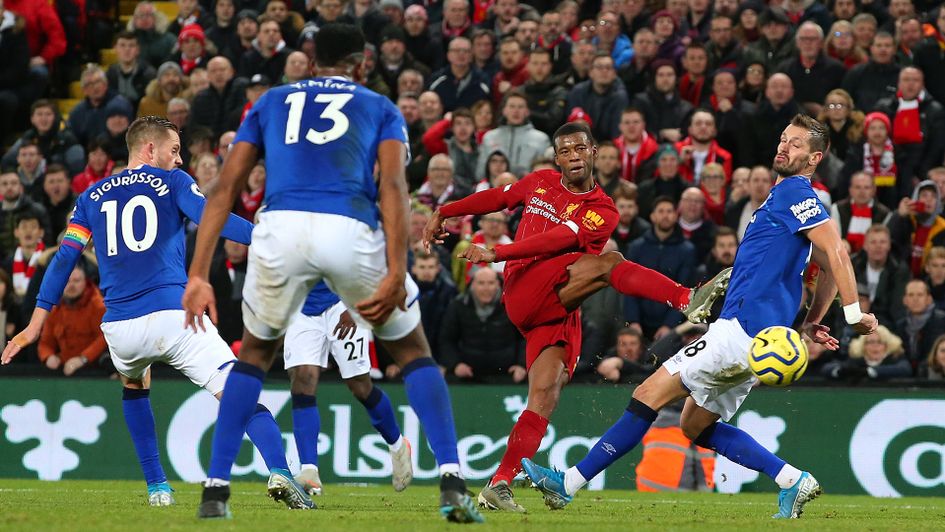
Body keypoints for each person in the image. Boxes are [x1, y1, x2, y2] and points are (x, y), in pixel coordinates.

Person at [180, 24, 483, 523]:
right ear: (362, 64)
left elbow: (224, 187)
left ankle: (215, 491)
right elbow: (392, 187)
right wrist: (396, 269)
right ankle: (451, 479)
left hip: (279, 229)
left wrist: (198, 273)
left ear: (312, 58)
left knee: (253, 356)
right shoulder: (379, 107)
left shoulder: (271, 102)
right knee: (412, 351)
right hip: (348, 226)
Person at [521, 114, 878, 520]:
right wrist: (812, 320)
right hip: (759, 341)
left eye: (795, 145)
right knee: (694, 425)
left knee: (647, 396)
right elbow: (826, 265)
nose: (783, 147)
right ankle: (791, 479)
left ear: (814, 159)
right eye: (783, 139)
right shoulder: (786, 202)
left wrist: (853, 313)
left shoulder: (796, 195)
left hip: (741, 331)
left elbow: (837, 253)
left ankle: (567, 484)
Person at [422, 120, 730, 513]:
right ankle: (686, 297)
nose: (573, 157)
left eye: (579, 149)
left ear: (593, 152)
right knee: (610, 263)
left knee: (546, 394)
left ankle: (499, 483)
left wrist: (496, 252)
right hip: (524, 288)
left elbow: (561, 238)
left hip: (554, 307)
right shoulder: (539, 182)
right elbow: (497, 198)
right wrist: (445, 211)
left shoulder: (603, 209)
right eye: (565, 151)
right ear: (557, 157)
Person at [0, 116, 304, 509]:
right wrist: (266, 237)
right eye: (174, 150)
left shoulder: (91, 197)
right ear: (149, 149)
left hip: (120, 329)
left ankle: (158, 488)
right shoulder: (173, 183)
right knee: (239, 392)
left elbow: (63, 260)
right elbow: (210, 216)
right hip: (172, 316)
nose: (179, 160)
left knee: (135, 385)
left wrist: (34, 325)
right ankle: (281, 471)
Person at [285, 281, 413, 496]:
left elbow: (368, 256)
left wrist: (355, 307)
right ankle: (309, 470)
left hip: (343, 304)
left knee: (360, 386)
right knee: (302, 382)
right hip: (301, 309)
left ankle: (398, 446)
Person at [37, 263, 106, 376]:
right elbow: (45, 342)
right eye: (67, 281)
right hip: (65, 368)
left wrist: (83, 358)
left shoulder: (98, 305)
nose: (71, 285)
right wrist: (48, 357)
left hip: (96, 369)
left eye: (76, 281)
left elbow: (104, 338)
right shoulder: (54, 308)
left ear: (85, 282)